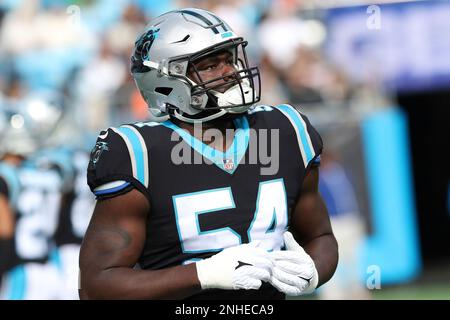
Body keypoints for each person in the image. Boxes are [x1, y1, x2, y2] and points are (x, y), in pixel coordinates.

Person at [79, 8, 338, 300]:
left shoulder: (286, 131)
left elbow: (320, 237)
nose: (230, 71)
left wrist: (314, 269)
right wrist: (203, 275)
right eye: (211, 65)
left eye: (229, 59)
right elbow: (96, 286)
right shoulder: (139, 153)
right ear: (165, 81)